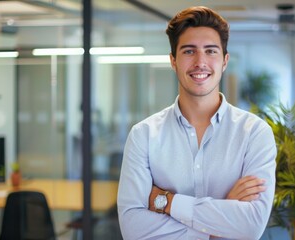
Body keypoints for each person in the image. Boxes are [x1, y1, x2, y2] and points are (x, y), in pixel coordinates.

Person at [117, 6, 276, 240]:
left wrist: (167, 202)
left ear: (224, 61)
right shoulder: (143, 135)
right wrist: (220, 224)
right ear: (173, 61)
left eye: (211, 51)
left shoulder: (254, 133)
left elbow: (251, 226)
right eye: (189, 51)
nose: (200, 62)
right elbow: (133, 228)